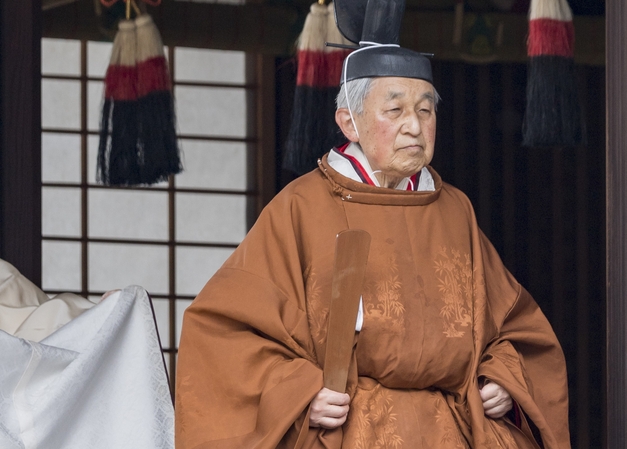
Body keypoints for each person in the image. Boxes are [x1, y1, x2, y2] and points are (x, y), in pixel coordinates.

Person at [174, 1, 569, 447]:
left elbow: (512, 327)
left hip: (451, 429)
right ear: (350, 122)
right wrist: (302, 393)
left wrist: (502, 380)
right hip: (347, 430)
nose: (414, 128)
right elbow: (224, 333)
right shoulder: (301, 207)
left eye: (425, 110)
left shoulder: (454, 209)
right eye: (394, 111)